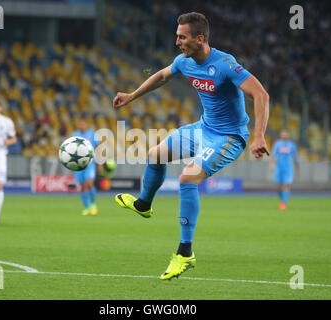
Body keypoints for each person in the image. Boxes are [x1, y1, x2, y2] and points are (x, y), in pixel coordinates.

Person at [112, 12, 270, 280]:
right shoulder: (184, 62)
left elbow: (260, 94)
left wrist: (258, 136)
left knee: (187, 178)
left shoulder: (225, 65)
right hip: (203, 128)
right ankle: (143, 205)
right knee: (155, 155)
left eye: (182, 37)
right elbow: (161, 76)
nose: (177, 42)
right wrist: (132, 95)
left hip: (229, 137)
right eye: (177, 36)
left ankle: (185, 254)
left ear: (199, 39)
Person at [72, 117, 101, 216]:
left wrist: (100, 163)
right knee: (82, 186)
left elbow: (98, 149)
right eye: (79, 124)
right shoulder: (75, 135)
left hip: (89, 163)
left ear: (86, 125)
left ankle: (93, 205)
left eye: (83, 124)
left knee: (89, 182)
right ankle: (87, 208)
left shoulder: (92, 134)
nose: (81, 125)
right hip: (78, 164)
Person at [270, 129, 300, 210]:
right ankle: (282, 198)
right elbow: (273, 155)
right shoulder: (277, 144)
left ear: (288, 135)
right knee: (279, 186)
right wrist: (272, 165)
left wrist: (298, 169)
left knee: (287, 185)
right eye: (283, 134)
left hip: (288, 168)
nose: (284, 135)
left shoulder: (292, 145)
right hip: (279, 168)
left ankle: (283, 203)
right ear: (281, 135)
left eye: (286, 134)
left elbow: (296, 158)